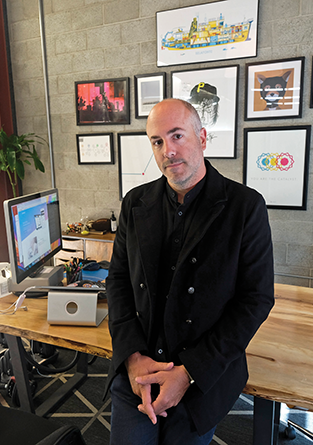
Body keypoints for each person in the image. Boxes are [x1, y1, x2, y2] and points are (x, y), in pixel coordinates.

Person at [105, 98, 274, 444]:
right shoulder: (134, 203)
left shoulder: (245, 207)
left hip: (203, 375)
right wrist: (133, 359)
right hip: (139, 367)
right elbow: (118, 281)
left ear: (202, 138)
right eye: (157, 141)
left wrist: (189, 373)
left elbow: (255, 300)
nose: (168, 150)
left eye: (177, 135)